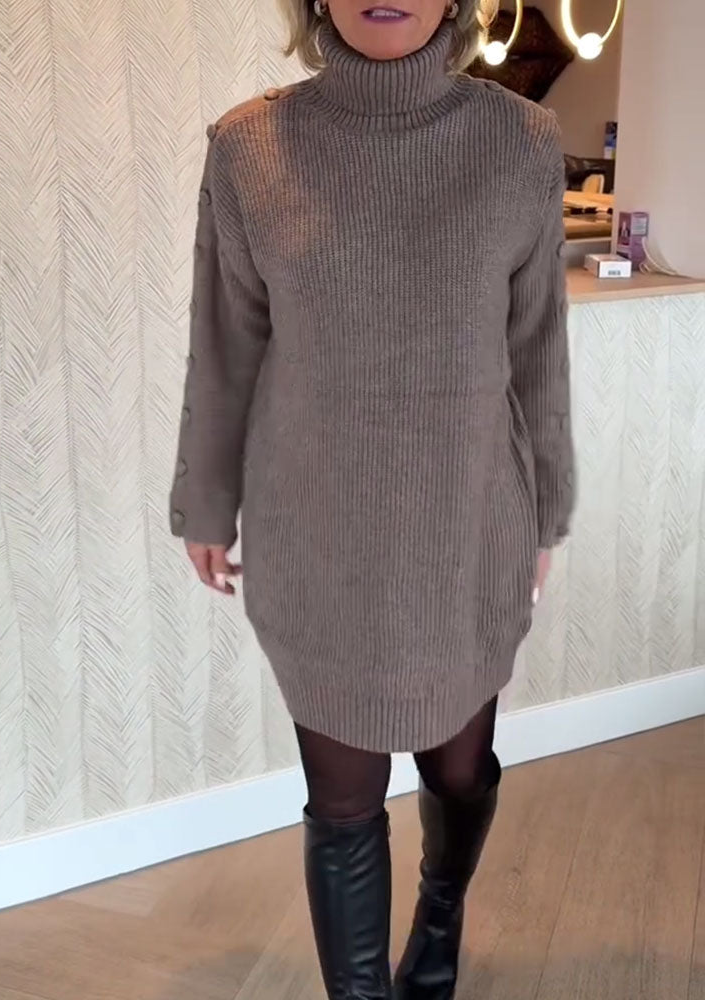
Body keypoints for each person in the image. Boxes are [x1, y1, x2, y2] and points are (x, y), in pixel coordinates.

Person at [169, 0, 575, 996]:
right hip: (316, 531)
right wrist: (206, 501)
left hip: (468, 523)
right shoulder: (248, 147)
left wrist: (547, 505)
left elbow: (535, 346)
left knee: (457, 770)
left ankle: (438, 919)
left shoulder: (520, 142)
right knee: (342, 801)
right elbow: (225, 345)